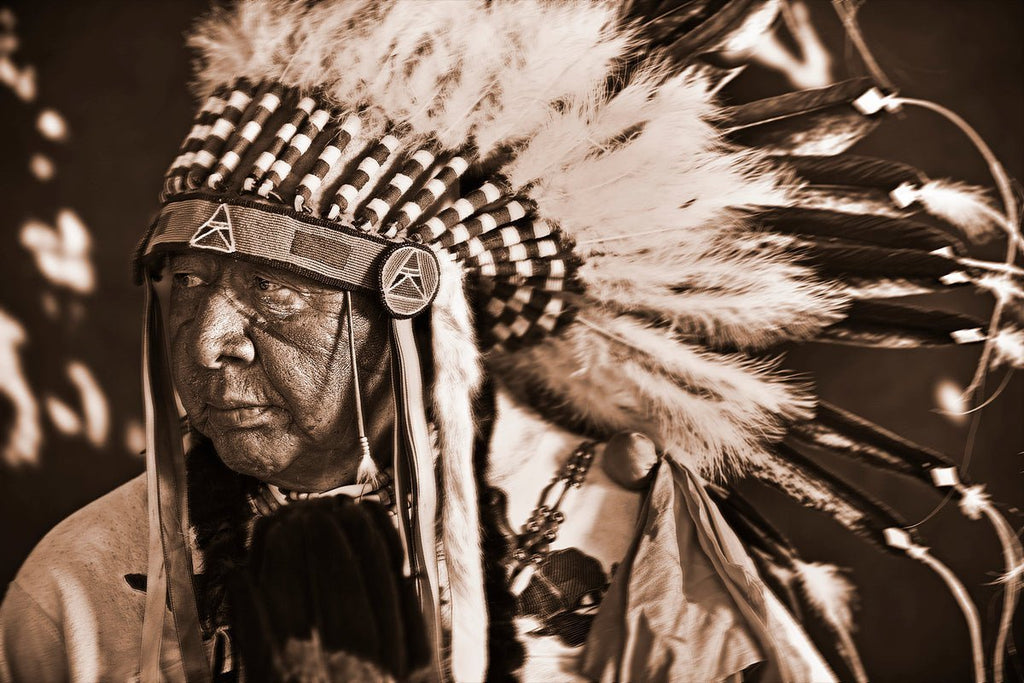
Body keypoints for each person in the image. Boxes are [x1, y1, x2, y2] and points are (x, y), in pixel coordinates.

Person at [1, 1, 1022, 681]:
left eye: (274, 290)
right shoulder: (91, 585)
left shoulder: (664, 574)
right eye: (182, 288)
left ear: (430, 320)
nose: (210, 339)